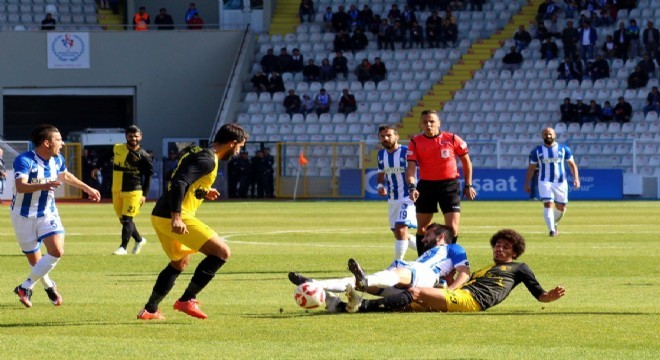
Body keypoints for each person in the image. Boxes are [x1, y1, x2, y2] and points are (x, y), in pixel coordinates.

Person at [137, 123, 248, 320]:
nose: (239, 151)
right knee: (222, 252)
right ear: (231, 143)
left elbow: (178, 177)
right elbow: (179, 182)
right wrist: (177, 217)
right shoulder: (208, 160)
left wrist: (203, 191)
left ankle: (150, 310)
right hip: (174, 215)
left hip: (160, 214)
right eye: (239, 147)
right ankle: (187, 299)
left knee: (179, 262)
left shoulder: (199, 152)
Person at [335, 229, 566, 313]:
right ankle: (344, 301)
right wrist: (444, 284)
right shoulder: (484, 269)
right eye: (497, 245)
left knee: (414, 292)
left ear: (515, 253)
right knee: (403, 299)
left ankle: (361, 306)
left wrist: (549, 297)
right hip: (461, 296)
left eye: (506, 247)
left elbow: (539, 294)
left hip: (473, 301)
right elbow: (462, 281)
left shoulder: (519, 268)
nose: (500, 249)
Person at [288, 223, 471, 312]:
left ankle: (366, 279)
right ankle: (314, 284)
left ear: (440, 236)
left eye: (427, 236)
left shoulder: (453, 248)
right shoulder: (427, 253)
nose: (423, 240)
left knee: (396, 273)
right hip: (405, 282)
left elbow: (465, 273)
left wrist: (450, 292)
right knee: (354, 283)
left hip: (425, 276)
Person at [12, 124, 101, 308]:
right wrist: (43, 185)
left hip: (47, 212)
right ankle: (49, 287)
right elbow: (21, 186)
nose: (62, 143)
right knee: (37, 263)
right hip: (23, 216)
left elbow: (65, 175)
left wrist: (87, 188)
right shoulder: (24, 160)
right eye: (58, 139)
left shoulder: (58, 159)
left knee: (57, 251)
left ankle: (25, 286)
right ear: (46, 143)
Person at [406, 110, 476, 254]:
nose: (428, 124)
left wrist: (468, 185)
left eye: (432, 121)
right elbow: (411, 168)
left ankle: (447, 261)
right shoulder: (415, 142)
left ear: (439, 123)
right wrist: (412, 187)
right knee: (423, 228)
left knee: (452, 228)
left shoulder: (452, 139)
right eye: (425, 122)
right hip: (426, 186)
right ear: (421, 124)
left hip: (449, 185)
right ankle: (422, 262)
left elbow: (466, 162)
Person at [525, 127, 580, 237]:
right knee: (548, 203)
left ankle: (553, 224)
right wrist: (527, 183)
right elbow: (531, 168)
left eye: (550, 134)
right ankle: (552, 231)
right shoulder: (537, 151)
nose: (548, 136)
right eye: (545, 134)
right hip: (544, 181)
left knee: (561, 208)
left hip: (560, 182)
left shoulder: (564, 149)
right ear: (542, 136)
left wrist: (576, 179)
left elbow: (572, 165)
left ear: (554, 135)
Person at [376, 125, 417, 261]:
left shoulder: (406, 152)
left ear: (397, 137)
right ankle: (428, 252)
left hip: (408, 197)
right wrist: (381, 185)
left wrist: (414, 188)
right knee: (399, 233)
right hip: (392, 198)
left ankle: (398, 264)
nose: (386, 138)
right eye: (383, 136)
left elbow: (416, 171)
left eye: (389, 135)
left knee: (400, 230)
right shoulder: (381, 154)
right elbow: (381, 173)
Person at [111, 125, 154, 255]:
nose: (133, 138)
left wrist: (144, 194)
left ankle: (123, 247)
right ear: (126, 136)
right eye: (131, 136)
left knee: (128, 219)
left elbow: (148, 177)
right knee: (123, 220)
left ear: (140, 136)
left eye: (136, 136)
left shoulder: (144, 156)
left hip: (134, 191)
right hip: (117, 190)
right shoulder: (118, 148)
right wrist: (96, 167)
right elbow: (104, 156)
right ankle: (139, 240)